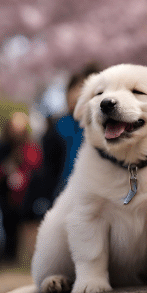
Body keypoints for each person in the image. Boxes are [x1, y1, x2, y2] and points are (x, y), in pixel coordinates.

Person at [0, 112, 42, 261]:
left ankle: (28, 256)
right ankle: (7, 256)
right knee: (6, 226)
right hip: (4, 192)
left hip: (27, 194)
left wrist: (24, 175)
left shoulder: (30, 147)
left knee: (27, 227)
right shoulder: (1, 147)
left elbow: (36, 166)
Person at [51, 64, 100, 199]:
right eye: (74, 89)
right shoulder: (59, 126)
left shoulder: (102, 125)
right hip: (66, 192)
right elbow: (50, 171)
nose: (77, 95)